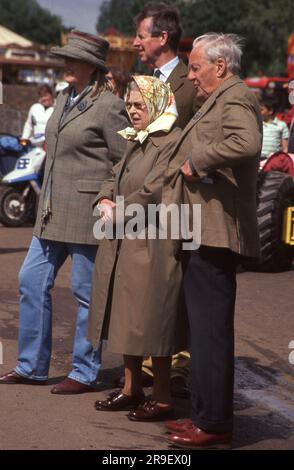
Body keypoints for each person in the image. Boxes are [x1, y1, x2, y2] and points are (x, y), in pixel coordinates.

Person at [0, 30, 128, 394]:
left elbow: (123, 162)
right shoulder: (61, 97)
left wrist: (107, 198)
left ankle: (85, 371)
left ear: (91, 66)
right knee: (30, 281)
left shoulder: (109, 106)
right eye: (65, 58)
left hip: (89, 212)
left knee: (86, 292)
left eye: (72, 59)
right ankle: (31, 366)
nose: (65, 64)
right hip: (51, 211)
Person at [164, 33, 262, 448]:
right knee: (203, 331)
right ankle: (205, 416)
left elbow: (247, 142)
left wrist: (196, 161)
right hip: (200, 229)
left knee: (210, 332)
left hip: (216, 233)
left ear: (220, 66)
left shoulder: (235, 97)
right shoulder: (218, 99)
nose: (191, 75)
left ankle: (215, 424)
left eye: (196, 67)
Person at [88, 75, 187, 421]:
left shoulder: (171, 142)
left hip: (153, 243)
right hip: (125, 239)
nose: (132, 111)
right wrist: (103, 196)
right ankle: (131, 389)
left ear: (157, 105)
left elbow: (155, 190)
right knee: (127, 317)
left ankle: (162, 398)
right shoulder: (135, 140)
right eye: (129, 104)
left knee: (153, 322)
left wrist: (117, 209)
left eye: (139, 105)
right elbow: (112, 173)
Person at [132, 1, 197, 396]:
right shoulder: (144, 80)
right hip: (144, 202)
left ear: (162, 37)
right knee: (151, 287)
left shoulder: (193, 83)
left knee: (179, 287)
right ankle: (149, 366)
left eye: (141, 35)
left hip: (179, 202)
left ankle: (177, 371)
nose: (136, 42)